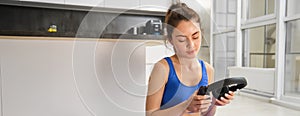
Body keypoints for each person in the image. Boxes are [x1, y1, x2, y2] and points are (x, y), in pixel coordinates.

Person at [145, 3, 234, 116]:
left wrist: (214, 103)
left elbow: (206, 114)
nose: (191, 45)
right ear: (171, 40)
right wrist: (186, 105)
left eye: (195, 36)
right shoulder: (162, 68)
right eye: (182, 40)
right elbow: (150, 114)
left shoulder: (208, 70)